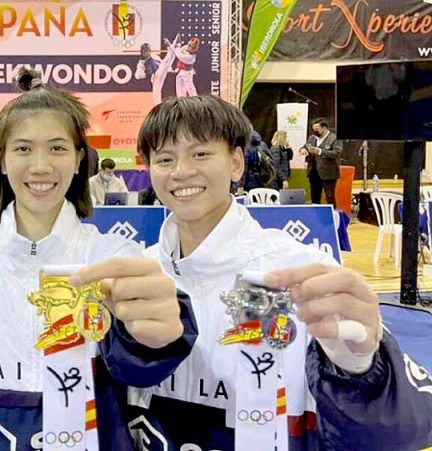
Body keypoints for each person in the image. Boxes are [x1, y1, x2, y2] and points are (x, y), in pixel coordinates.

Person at [106, 95, 432, 450]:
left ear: (235, 163)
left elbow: (401, 428)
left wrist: (361, 367)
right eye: (165, 159)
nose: (181, 171)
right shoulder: (138, 276)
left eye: (200, 154)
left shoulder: (302, 272)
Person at [0, 69, 190, 450]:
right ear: (1, 161)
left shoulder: (114, 260)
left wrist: (164, 332)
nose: (40, 166)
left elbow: (141, 373)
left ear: (79, 160)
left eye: (57, 148)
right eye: (23, 149)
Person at [302, 117, 341, 205]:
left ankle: (332, 213)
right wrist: (303, 149)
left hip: (328, 173)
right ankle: (315, 213)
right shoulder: (312, 138)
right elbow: (305, 146)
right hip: (313, 172)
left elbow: (337, 153)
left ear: (324, 127)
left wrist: (319, 151)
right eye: (313, 129)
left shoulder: (334, 138)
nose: (315, 132)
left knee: (330, 197)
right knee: (314, 197)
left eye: (317, 129)